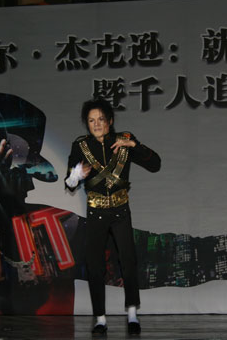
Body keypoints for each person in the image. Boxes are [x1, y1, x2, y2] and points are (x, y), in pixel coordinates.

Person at [65, 98, 161, 335]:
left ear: (110, 121)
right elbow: (69, 182)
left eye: (100, 119)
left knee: (128, 261)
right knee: (95, 265)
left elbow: (155, 164)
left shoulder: (124, 140)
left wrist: (133, 145)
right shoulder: (81, 146)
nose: (96, 124)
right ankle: (100, 318)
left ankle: (131, 313)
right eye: (91, 120)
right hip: (96, 211)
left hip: (120, 210)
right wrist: (77, 173)